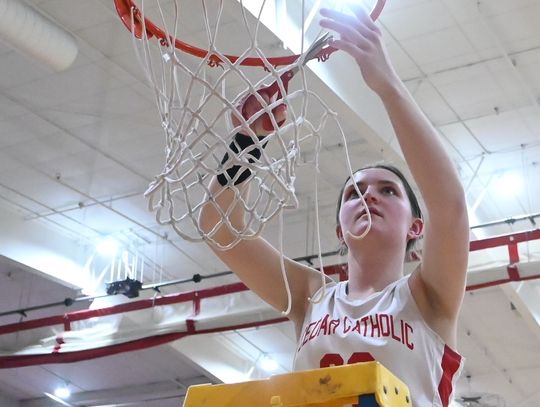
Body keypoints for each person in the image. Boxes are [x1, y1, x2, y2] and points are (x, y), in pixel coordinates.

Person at [199, 5, 469, 406]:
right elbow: (221, 231)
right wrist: (245, 144)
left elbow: (449, 206)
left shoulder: (429, 297)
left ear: (416, 226)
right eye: (353, 192)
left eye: (388, 190)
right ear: (339, 230)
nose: (368, 195)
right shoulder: (311, 295)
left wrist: (387, 84)